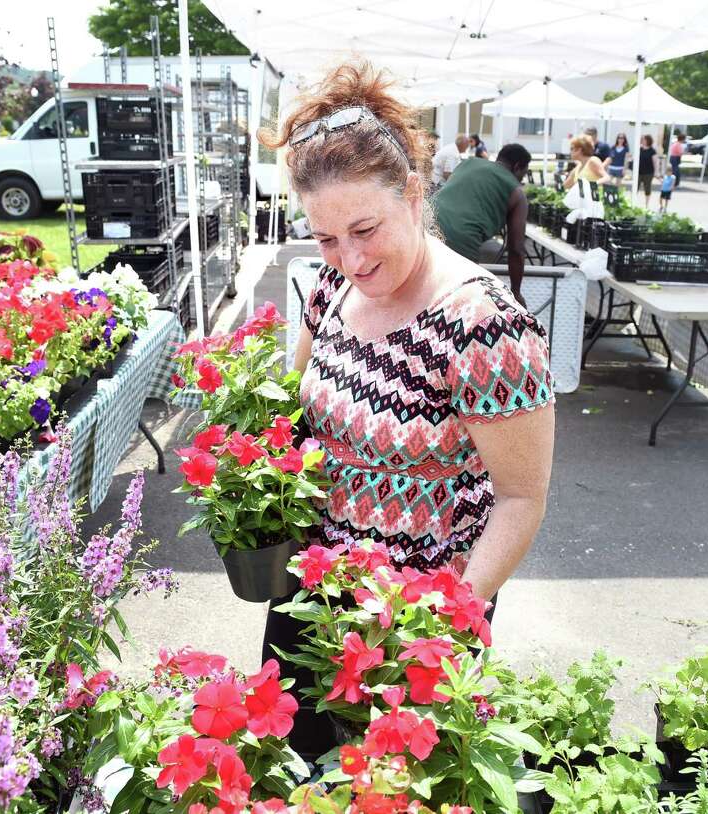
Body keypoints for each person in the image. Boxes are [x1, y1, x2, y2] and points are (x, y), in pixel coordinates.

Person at [262, 60, 556, 761]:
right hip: (313, 598)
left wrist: (445, 623)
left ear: (416, 195)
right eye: (326, 237)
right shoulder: (329, 289)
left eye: (365, 229)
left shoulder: (483, 322)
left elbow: (521, 497)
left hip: (413, 624)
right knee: (296, 774)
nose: (350, 258)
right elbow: (288, 408)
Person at [434, 143, 533, 305]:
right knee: (457, 303)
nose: (522, 179)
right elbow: (516, 248)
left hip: (426, 223)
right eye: (524, 173)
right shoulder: (517, 193)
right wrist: (516, 292)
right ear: (517, 167)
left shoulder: (468, 163)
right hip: (461, 240)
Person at [636, 134, 657, 208]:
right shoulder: (639, 149)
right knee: (635, 188)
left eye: (644, 139)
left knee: (647, 188)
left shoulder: (652, 150)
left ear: (648, 140)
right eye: (642, 139)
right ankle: (634, 202)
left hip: (648, 173)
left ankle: (646, 205)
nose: (643, 141)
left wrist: (656, 172)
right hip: (638, 172)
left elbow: (655, 162)